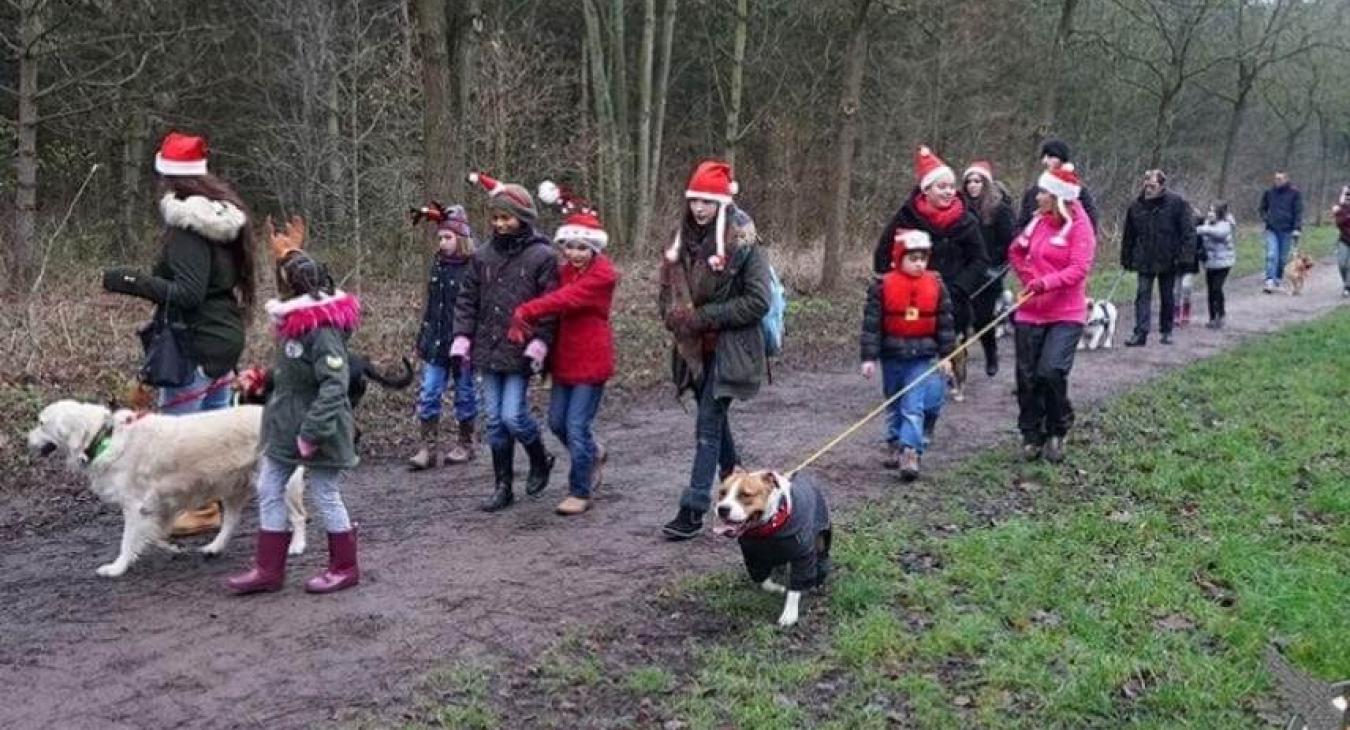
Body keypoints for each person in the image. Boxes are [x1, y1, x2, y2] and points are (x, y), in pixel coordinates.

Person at [101, 131, 256, 537]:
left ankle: (190, 511)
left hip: (195, 341)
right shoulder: (224, 221)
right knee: (215, 433)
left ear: (168, 178)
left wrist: (131, 280)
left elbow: (187, 293)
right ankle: (208, 507)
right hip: (223, 335)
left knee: (179, 437)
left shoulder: (187, 230)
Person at [227, 217, 361, 595]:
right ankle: (268, 569)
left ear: (290, 287)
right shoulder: (294, 324)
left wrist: (312, 432)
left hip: (320, 430)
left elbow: (335, 385)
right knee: (270, 487)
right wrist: (262, 378)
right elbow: (292, 372)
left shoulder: (321, 331)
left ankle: (345, 566)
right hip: (285, 425)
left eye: (280, 280)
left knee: (324, 494)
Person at [658, 160, 770, 540]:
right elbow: (667, 293)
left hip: (731, 350)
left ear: (722, 204)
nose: (700, 209)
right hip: (693, 350)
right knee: (715, 421)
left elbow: (758, 302)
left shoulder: (746, 244)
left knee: (707, 423)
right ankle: (735, 480)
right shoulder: (680, 242)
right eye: (695, 202)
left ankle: (692, 510)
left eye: (707, 202)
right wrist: (673, 316)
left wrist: (703, 316)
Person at [452, 172, 559, 513]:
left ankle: (539, 457)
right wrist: (461, 338)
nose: (499, 223)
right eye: (495, 217)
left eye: (506, 217)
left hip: (520, 348)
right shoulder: (482, 256)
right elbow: (468, 299)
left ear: (523, 217)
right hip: (487, 346)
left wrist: (540, 344)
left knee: (513, 416)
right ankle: (503, 486)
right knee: (495, 420)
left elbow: (550, 306)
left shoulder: (542, 256)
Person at [510, 188, 619, 516]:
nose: (575, 253)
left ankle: (580, 489)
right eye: (570, 246)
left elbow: (564, 299)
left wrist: (526, 310)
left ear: (594, 248)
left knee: (575, 425)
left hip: (592, 359)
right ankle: (593, 453)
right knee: (557, 422)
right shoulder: (564, 271)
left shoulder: (602, 276)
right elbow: (551, 290)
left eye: (582, 248)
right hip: (565, 359)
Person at [1008, 163, 1095, 463]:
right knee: (1027, 376)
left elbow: (1079, 268)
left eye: (1043, 192)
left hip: (1066, 311)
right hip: (1031, 310)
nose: (1037, 196)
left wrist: (1046, 282)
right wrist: (1028, 276)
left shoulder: (1080, 226)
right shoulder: (1038, 222)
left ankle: (1058, 427)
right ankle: (1032, 433)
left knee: (1051, 371)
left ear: (1058, 197)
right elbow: (1016, 252)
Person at [860, 229, 956, 481]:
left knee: (913, 405)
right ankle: (894, 442)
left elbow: (945, 325)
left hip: (921, 356)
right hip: (892, 355)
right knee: (894, 401)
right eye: (913, 258)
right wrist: (868, 358)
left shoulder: (936, 285)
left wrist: (947, 355)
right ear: (899, 258)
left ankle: (910, 450)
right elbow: (871, 326)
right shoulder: (882, 286)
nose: (919, 264)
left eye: (923, 259)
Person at [871, 146, 988, 339]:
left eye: (951, 187)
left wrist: (958, 288)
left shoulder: (967, 221)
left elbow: (980, 260)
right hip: (910, 306)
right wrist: (897, 285)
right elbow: (882, 256)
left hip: (952, 308)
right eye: (942, 187)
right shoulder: (905, 217)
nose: (948, 192)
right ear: (926, 189)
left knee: (947, 364)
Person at [408, 203, 479, 470]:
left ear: (460, 238)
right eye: (440, 237)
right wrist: (422, 339)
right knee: (429, 392)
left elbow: (476, 307)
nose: (442, 242)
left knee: (465, 394)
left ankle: (466, 442)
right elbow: (432, 307)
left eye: (448, 237)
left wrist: (473, 339)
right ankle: (427, 446)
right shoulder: (438, 265)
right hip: (436, 341)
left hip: (464, 343)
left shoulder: (474, 268)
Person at [1120, 169, 1196, 347]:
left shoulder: (1177, 203)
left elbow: (1188, 232)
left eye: (1152, 185)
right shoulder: (1135, 205)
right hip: (1144, 257)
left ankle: (1166, 330)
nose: (1148, 188)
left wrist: (1185, 257)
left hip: (1169, 258)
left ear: (1161, 185)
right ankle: (1140, 332)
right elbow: (1128, 235)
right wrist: (1126, 258)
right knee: (1142, 294)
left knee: (1167, 295)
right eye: (1146, 184)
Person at [960, 160, 1015, 376]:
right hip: (963, 271)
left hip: (988, 273)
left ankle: (991, 354)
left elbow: (1009, 241)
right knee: (960, 319)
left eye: (977, 181)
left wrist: (996, 266)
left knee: (983, 318)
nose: (973, 185)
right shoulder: (960, 209)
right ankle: (957, 365)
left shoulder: (999, 210)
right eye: (969, 182)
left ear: (985, 183)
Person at [1016, 138, 1099, 232]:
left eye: (1051, 157)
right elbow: (1022, 224)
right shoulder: (1033, 192)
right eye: (1044, 157)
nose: (1045, 161)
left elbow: (1090, 226)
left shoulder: (1078, 193)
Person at [1258, 170, 1303, 293]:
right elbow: (1262, 208)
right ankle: (1269, 280)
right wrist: (1266, 218)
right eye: (1276, 179)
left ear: (1286, 179)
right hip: (1272, 228)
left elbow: (1298, 212)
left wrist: (1297, 228)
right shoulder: (1269, 193)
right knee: (1272, 255)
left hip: (1287, 229)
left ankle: (1278, 277)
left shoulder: (1295, 193)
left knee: (1282, 257)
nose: (1277, 181)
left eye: (1280, 179)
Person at [1196, 201, 1236, 328]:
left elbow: (1218, 233)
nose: (1210, 213)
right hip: (1210, 263)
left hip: (1224, 263)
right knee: (1210, 290)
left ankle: (1221, 314)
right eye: (1209, 211)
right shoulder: (1206, 224)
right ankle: (1212, 317)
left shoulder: (1226, 225)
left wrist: (1199, 229)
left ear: (1219, 213)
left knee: (1216, 288)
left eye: (1213, 211)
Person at [1332, 185, 1350, 298]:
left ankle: (1347, 287)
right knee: (1342, 264)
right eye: (1347, 196)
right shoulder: (1341, 209)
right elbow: (1338, 223)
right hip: (1344, 239)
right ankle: (1346, 282)